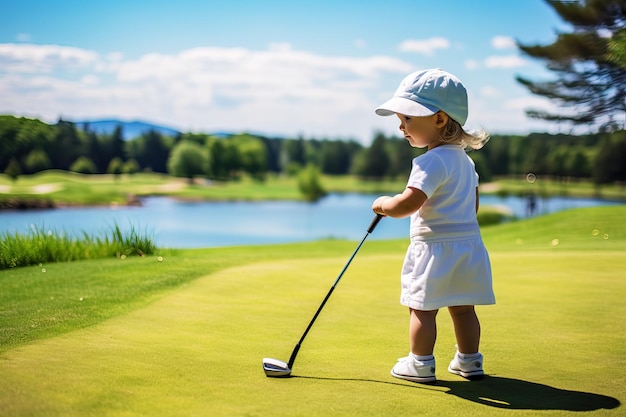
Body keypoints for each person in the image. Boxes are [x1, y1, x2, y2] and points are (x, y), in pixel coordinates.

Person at [371, 68, 495, 383]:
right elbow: (474, 205)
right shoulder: (466, 162)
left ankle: (421, 363)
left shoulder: (429, 162)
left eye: (408, 119)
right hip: (468, 247)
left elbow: (409, 203)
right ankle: (470, 361)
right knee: (464, 310)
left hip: (434, 249)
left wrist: (384, 204)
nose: (401, 127)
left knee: (421, 310)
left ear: (439, 119)